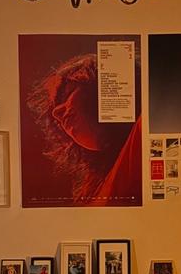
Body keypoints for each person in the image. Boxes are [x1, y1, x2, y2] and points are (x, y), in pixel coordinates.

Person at [25, 52, 141, 205]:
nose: (56, 113)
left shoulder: (142, 130)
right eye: (56, 104)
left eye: (67, 94)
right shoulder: (95, 182)